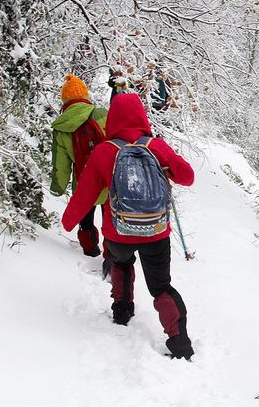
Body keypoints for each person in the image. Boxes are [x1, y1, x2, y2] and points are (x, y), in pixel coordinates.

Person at [61, 93, 196, 359]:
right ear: (142, 116)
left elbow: (86, 194)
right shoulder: (155, 146)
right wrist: (166, 167)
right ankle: (180, 342)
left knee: (121, 264)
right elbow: (188, 177)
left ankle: (122, 312)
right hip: (156, 231)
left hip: (119, 231)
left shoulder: (104, 150)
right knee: (161, 286)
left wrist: (68, 221)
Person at [50, 74, 108, 258]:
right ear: (85, 95)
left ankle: (90, 249)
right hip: (110, 178)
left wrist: (58, 187)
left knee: (86, 218)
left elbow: (62, 163)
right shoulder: (102, 114)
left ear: (64, 99)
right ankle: (112, 254)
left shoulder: (61, 126)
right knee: (111, 220)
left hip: (83, 181)